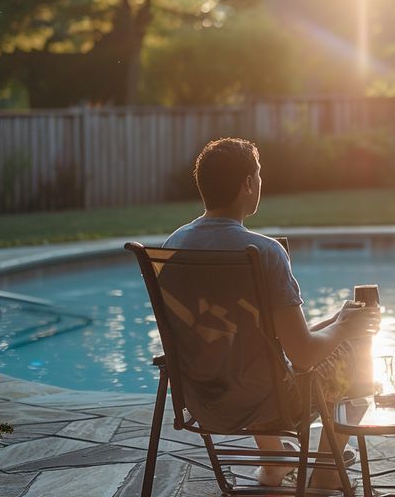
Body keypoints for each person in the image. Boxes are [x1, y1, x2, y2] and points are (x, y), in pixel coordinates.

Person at [163, 137, 380, 490]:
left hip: (201, 400)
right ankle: (325, 477)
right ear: (248, 183)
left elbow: (258, 337)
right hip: (267, 403)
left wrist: (337, 322)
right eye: (259, 175)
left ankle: (273, 462)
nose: (261, 183)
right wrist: (346, 328)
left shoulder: (174, 246)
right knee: (357, 348)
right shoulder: (263, 252)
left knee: (262, 361)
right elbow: (303, 354)